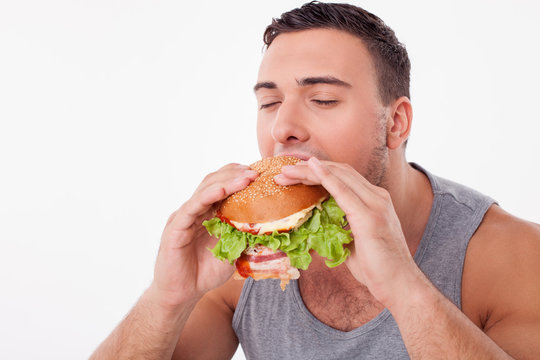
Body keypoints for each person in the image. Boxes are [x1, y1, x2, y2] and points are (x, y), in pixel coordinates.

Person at [91, 2, 540, 359]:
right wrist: (167, 298)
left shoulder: (514, 256)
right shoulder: (244, 261)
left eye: (322, 99)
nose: (282, 127)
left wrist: (405, 291)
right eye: (269, 102)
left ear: (397, 123)